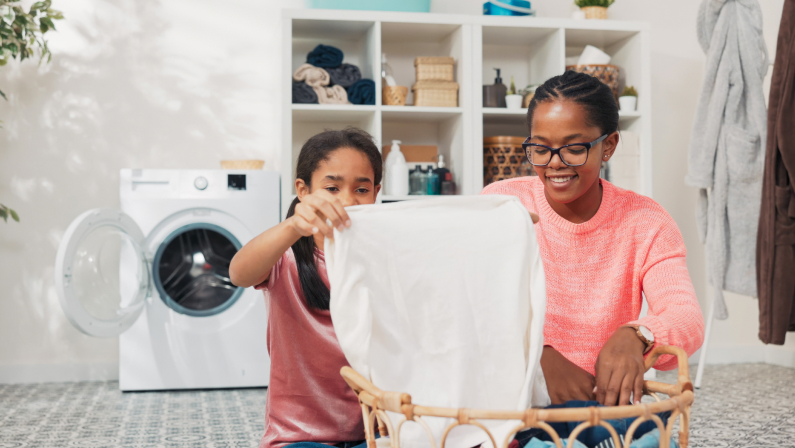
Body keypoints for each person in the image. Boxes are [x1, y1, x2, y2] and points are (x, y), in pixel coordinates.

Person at [482, 71, 705, 407]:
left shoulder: (646, 221)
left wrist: (639, 335)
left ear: (608, 146)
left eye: (573, 148)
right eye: (540, 148)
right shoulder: (501, 205)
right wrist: (537, 354)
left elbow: (686, 316)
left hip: (602, 409)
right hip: (509, 404)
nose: (554, 164)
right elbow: (469, 306)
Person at [229, 128, 382, 448]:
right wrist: (293, 226)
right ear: (303, 190)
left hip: (373, 431)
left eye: (361, 189)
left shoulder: (383, 259)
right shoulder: (285, 257)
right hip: (299, 436)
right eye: (332, 187)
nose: (347, 200)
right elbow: (238, 273)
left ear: (376, 193)